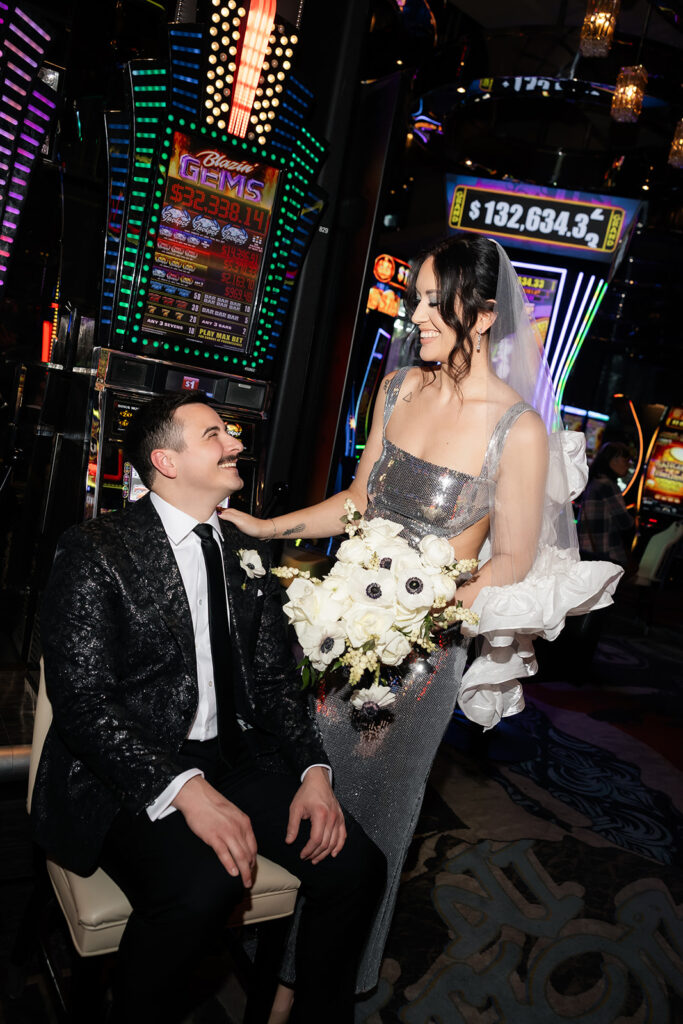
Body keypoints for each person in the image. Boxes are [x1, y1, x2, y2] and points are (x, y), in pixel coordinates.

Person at [219, 234, 622, 1008]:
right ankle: (264, 957)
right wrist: (267, 529)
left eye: (433, 300)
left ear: (480, 311)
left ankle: (312, 991)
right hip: (340, 626)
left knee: (362, 821)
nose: (415, 315)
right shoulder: (398, 386)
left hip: (418, 660)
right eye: (414, 298)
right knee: (294, 788)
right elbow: (359, 500)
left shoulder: (518, 429)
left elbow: (508, 559)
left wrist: (419, 610)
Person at [31, 392, 386, 1024]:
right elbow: (82, 704)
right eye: (215, 434)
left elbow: (276, 682)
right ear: (165, 461)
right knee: (204, 887)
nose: (236, 443)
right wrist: (181, 787)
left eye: (232, 432)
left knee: (357, 864)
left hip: (234, 758)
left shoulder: (242, 549)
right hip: (125, 773)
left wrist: (314, 773)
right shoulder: (96, 547)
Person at [579, 441, 634, 566]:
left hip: (588, 550)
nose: (628, 465)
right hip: (605, 552)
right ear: (613, 461)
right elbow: (625, 522)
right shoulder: (607, 485)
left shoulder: (596, 481)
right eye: (625, 461)